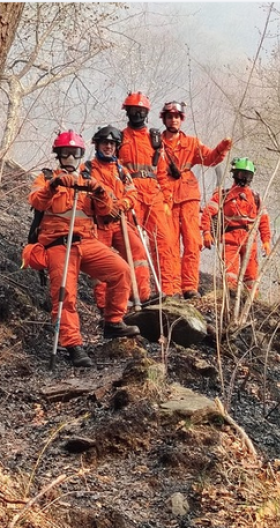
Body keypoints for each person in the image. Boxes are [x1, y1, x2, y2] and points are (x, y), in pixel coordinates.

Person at [29, 131, 140, 367]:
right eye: (65, 153)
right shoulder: (47, 177)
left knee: (121, 270)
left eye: (75, 153)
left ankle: (113, 322)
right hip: (59, 245)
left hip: (87, 242)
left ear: (81, 155)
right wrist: (53, 186)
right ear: (58, 155)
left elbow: (105, 212)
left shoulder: (89, 178)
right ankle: (73, 345)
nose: (70, 158)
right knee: (64, 295)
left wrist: (99, 192)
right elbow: (36, 201)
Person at [156, 101, 231, 299]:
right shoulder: (155, 143)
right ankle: (170, 288)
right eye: (170, 116)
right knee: (168, 244)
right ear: (164, 118)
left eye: (177, 117)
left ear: (182, 120)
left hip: (188, 196)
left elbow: (210, 159)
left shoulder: (191, 143)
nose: (173, 120)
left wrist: (223, 147)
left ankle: (189, 287)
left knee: (192, 241)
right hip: (166, 199)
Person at [118, 92, 178, 298]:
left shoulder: (154, 139)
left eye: (141, 111)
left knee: (165, 241)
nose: (137, 114)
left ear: (147, 113)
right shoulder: (119, 138)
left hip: (153, 193)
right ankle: (140, 293)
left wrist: (167, 198)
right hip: (131, 193)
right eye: (134, 110)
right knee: (133, 244)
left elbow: (162, 171)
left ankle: (168, 292)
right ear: (127, 111)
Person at [86, 126, 151, 309]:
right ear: (97, 145)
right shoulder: (88, 169)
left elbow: (132, 193)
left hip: (119, 221)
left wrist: (121, 205)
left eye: (112, 144)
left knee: (138, 250)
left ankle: (142, 296)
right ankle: (106, 306)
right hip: (97, 224)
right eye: (105, 143)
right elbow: (85, 195)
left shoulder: (122, 171)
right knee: (101, 263)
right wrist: (107, 206)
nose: (108, 147)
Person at [200, 157, 272, 296]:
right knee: (230, 274)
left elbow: (263, 220)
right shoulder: (223, 195)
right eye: (241, 174)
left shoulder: (256, 198)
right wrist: (206, 232)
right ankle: (230, 298)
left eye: (247, 175)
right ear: (234, 174)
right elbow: (208, 213)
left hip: (249, 240)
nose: (244, 178)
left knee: (251, 275)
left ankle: (252, 301)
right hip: (229, 241)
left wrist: (266, 240)